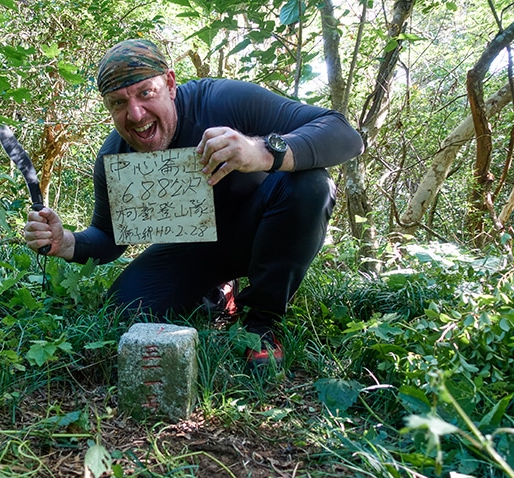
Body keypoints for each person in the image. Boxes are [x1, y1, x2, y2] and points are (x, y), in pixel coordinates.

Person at [23, 39, 364, 367]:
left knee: (310, 183)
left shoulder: (222, 101)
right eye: (118, 103)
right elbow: (109, 237)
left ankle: (261, 322)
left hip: (262, 226)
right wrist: (66, 242)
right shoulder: (115, 155)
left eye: (146, 93)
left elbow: (344, 134)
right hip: (194, 247)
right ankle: (217, 294)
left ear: (170, 84)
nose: (136, 114)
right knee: (122, 314)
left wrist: (261, 151)